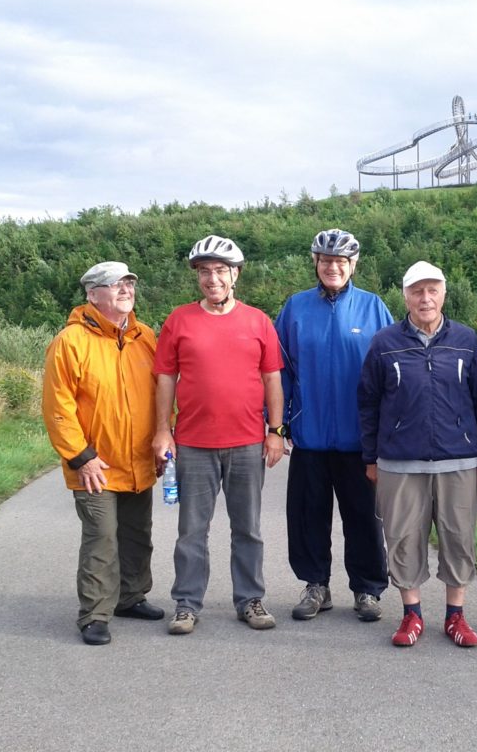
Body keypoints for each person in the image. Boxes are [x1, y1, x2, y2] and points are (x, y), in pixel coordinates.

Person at [153, 235, 286, 635]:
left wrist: (275, 430)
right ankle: (187, 604)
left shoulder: (258, 320)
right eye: (205, 271)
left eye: (221, 271)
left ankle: (250, 599)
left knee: (248, 528)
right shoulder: (179, 321)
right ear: (198, 276)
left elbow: (272, 378)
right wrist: (163, 430)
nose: (213, 278)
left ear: (235, 275)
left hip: (246, 442)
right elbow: (165, 378)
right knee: (191, 531)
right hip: (193, 443)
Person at [358, 261, 477, 648]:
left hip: (459, 459)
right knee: (402, 538)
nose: (425, 298)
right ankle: (411, 614)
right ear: (405, 296)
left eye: (432, 290)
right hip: (399, 461)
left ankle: (456, 617)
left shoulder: (465, 340)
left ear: (444, 294)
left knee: (458, 537)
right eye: (417, 291)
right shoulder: (385, 343)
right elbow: (368, 402)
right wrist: (371, 457)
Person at [42, 261, 165, 646]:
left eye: (129, 282)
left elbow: (164, 393)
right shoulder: (71, 341)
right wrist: (81, 456)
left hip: (139, 460)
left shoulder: (145, 336)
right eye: (115, 285)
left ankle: (130, 596)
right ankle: (94, 614)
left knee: (136, 533)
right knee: (102, 538)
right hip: (94, 464)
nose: (126, 289)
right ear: (92, 295)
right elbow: (57, 406)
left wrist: (165, 437)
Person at [274, 229, 392, 623]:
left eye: (341, 262)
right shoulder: (295, 308)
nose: (333, 267)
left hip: (359, 439)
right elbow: (279, 371)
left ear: (353, 265)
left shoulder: (374, 308)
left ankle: (367, 590)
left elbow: (391, 373)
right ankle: (315, 586)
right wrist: (276, 425)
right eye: (326, 261)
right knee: (308, 515)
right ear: (316, 263)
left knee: (363, 518)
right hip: (309, 436)